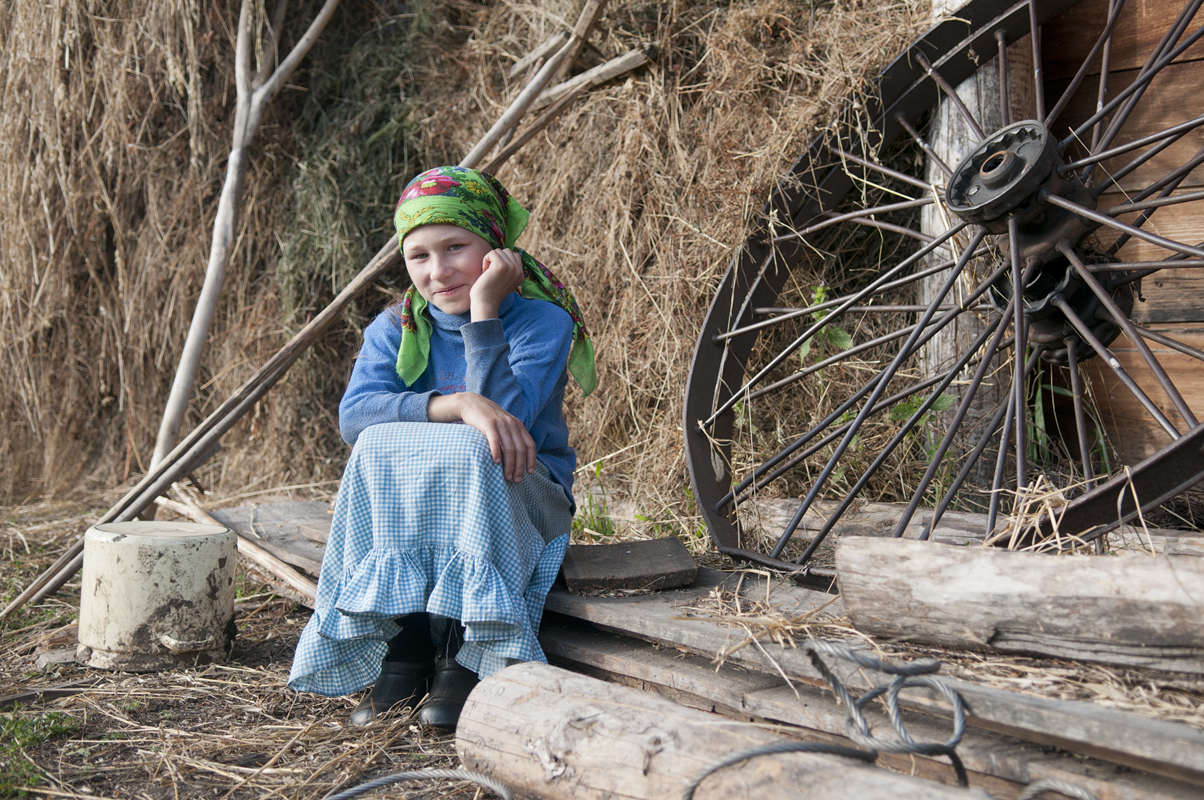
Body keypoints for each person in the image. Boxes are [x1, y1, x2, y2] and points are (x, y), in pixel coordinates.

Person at [288, 166, 595, 730]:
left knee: (473, 450)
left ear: (496, 251)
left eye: (456, 247)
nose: (438, 271)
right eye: (420, 256)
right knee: (377, 446)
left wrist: (485, 310)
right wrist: (456, 405)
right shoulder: (394, 328)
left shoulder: (543, 323)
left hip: (522, 494)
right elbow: (355, 418)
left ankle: (460, 657)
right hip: (426, 503)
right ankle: (404, 652)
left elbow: (509, 423)